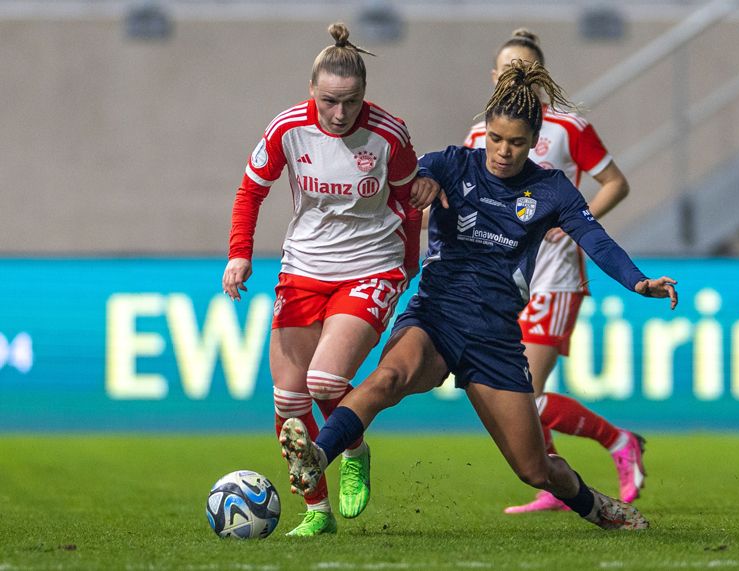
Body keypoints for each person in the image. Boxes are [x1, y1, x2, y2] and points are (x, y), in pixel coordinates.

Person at [279, 60, 678, 532]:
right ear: (484, 131)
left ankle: (594, 505)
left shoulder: (551, 190)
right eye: (495, 138)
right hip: (435, 317)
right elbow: (399, 174)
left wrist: (637, 281)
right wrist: (417, 185)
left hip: (494, 337)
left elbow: (597, 242)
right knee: (387, 378)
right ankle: (319, 456)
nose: (503, 152)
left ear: (534, 142)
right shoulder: (451, 163)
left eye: (516, 142)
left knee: (535, 469)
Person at [222, 22, 435, 537]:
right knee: (289, 400)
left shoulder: (389, 133)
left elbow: (409, 202)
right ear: (311, 92)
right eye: (330, 102)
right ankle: (317, 511)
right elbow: (251, 191)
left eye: (352, 101)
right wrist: (239, 255)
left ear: (365, 94)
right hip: (303, 269)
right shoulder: (288, 129)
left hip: (370, 265)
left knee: (324, 381)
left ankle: (354, 449)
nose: (340, 114)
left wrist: (407, 265)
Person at [464, 29, 645, 513]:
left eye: (522, 69)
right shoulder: (481, 132)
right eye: (505, 71)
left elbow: (615, 183)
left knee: (525, 394)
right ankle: (557, 482)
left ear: (539, 78)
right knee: (516, 392)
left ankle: (618, 441)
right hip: (506, 281)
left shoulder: (567, 128)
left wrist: (573, 226)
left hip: (556, 278)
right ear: (494, 77)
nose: (513, 78)